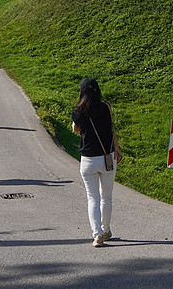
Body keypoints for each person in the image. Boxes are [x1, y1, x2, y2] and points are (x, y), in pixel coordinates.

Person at [71, 78, 122, 247]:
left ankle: (97, 235)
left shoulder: (79, 111)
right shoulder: (106, 108)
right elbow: (111, 128)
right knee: (106, 197)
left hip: (88, 161)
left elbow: (75, 129)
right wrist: (117, 149)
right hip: (107, 158)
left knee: (92, 198)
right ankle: (106, 230)